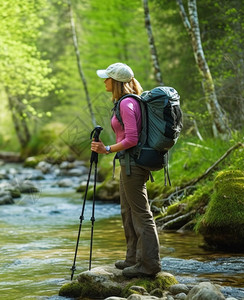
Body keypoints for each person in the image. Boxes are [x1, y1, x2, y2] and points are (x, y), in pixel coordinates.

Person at [91, 62, 162, 278]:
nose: (104, 81)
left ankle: (150, 265)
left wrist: (107, 149)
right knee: (127, 211)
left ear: (116, 82)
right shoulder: (125, 102)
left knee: (142, 213)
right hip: (127, 163)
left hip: (134, 164)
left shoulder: (126, 104)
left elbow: (132, 138)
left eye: (107, 78)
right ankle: (132, 258)